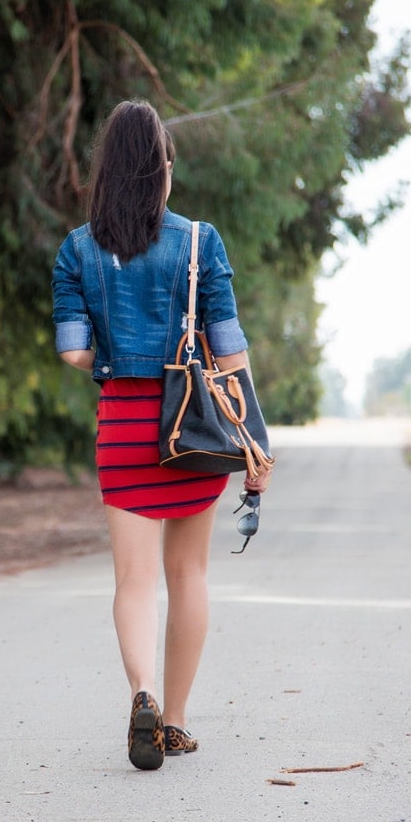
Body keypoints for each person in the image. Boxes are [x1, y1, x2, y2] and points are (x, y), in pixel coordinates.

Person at [51, 99, 272, 771]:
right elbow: (229, 351)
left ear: (108, 174)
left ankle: (140, 691)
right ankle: (173, 721)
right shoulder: (202, 242)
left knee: (134, 580)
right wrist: (255, 438)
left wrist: (120, 356)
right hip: (192, 429)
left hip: (122, 424)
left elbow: (72, 351)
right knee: (189, 572)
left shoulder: (77, 249)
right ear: (163, 172)